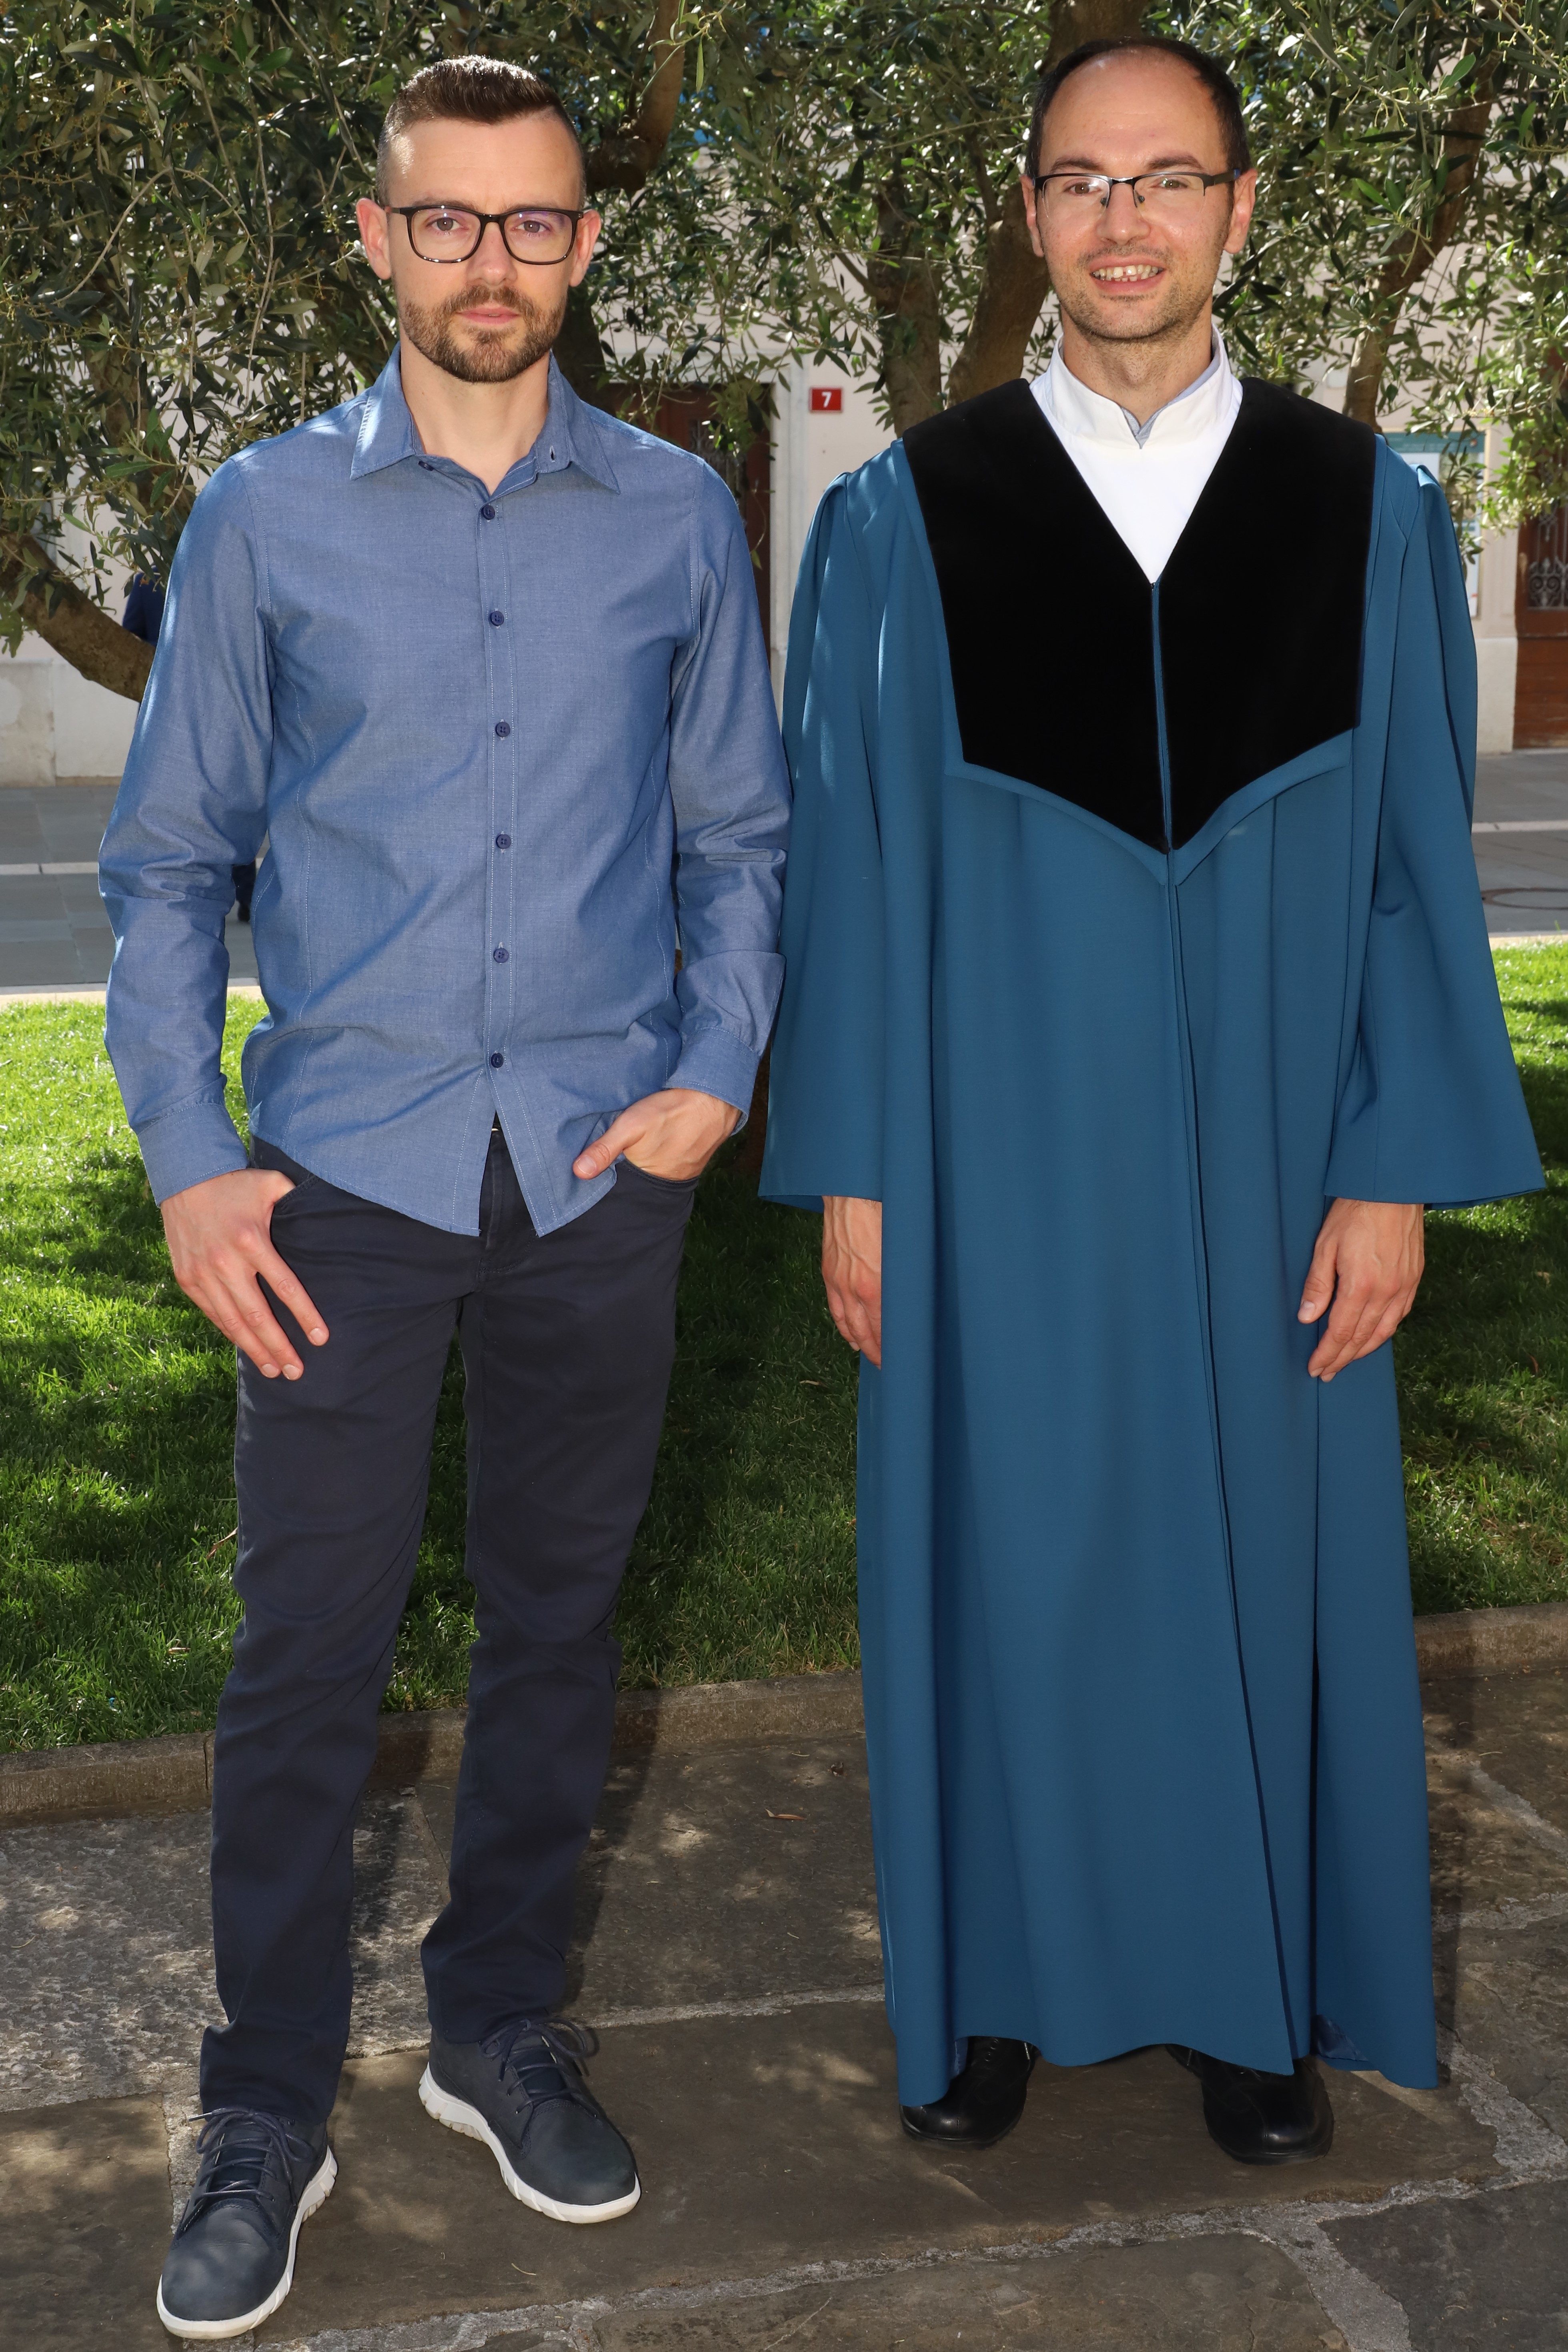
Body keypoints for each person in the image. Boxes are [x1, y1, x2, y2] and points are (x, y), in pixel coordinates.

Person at [761, 36, 1540, 2166]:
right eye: (1086, 182)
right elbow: (848, 868)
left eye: (1170, 178)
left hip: (1281, 1137)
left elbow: (1416, 869)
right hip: (986, 1134)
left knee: (1262, 1548)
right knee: (1007, 1542)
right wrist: (860, 1171)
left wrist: (1392, 1165)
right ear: (1031, 214)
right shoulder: (904, 518)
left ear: (1240, 209)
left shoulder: (1366, 512)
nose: (1126, 221)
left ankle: (1247, 1999)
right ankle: (991, 1988)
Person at [100, 56, 787, 2340]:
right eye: (451, 219)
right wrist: (193, 1162)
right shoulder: (261, 518)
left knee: (560, 1628)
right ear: (378, 238)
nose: (495, 261)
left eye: (537, 220)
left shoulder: (677, 518)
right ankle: (264, 2103)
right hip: (340, 1184)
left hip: (601, 1170)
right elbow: (169, 866)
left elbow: (738, 841)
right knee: (304, 1656)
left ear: (589, 241)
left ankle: (498, 2027)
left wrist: (712, 1076)